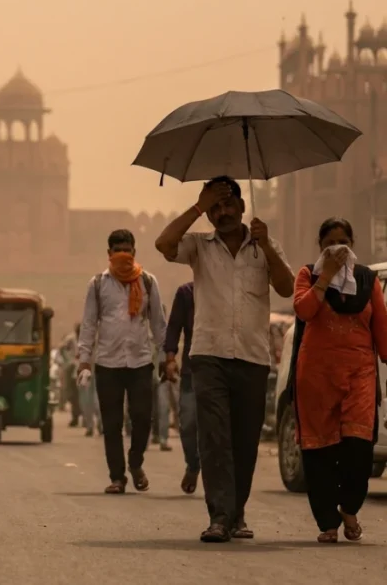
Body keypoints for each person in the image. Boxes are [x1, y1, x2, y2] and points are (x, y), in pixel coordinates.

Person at [155, 175, 293, 542]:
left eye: (228, 203)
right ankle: (219, 516)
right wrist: (197, 206)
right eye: (215, 207)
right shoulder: (199, 246)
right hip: (209, 355)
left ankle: (236, 513)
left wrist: (268, 247)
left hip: (252, 356)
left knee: (245, 441)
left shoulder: (264, 247)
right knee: (215, 438)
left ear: (243, 207)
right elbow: (164, 244)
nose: (223, 212)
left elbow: (287, 288)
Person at [289, 217, 387, 543]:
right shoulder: (308, 275)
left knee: (358, 447)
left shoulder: (367, 280)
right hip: (316, 377)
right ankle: (328, 522)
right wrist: (327, 276)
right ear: (320, 247)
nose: (336, 248)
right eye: (329, 243)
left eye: (342, 242)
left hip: (359, 375)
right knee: (319, 450)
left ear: (352, 244)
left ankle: (349, 508)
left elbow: (382, 329)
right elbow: (304, 310)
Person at [77, 229, 166, 494]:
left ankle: (135, 462)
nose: (123, 255)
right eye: (118, 250)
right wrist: (84, 361)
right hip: (108, 362)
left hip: (140, 361)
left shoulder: (148, 282)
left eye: (127, 250)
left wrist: (166, 357)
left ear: (134, 252)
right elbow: (89, 324)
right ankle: (117, 476)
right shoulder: (97, 284)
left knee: (142, 418)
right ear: (109, 253)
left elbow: (158, 324)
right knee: (112, 424)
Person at [165, 281, 199, 494]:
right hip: (192, 370)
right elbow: (174, 327)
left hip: (222, 371)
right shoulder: (186, 293)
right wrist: (170, 359)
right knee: (187, 423)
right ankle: (193, 465)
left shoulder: (227, 290)